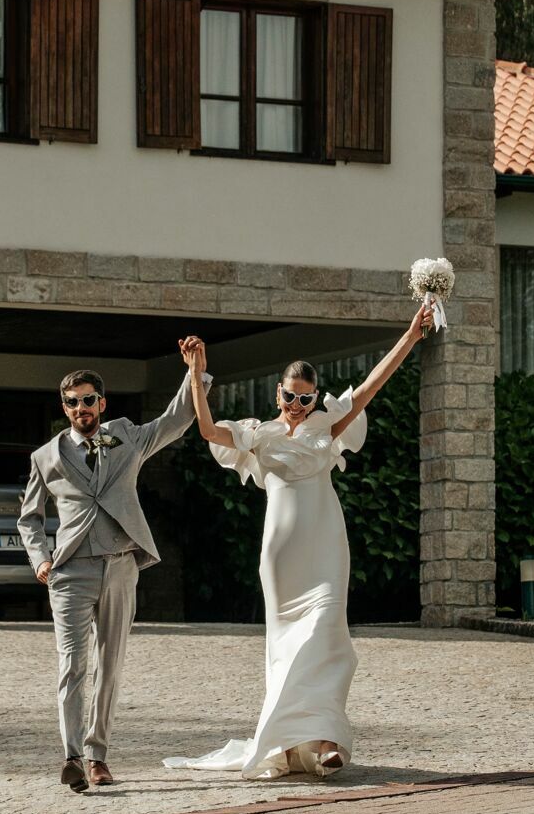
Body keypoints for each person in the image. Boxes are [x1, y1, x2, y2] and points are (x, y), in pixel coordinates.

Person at [167, 306, 434, 779]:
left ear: (315, 399)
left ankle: (327, 739)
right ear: (278, 392)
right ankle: (290, 746)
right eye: (290, 396)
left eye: (306, 399)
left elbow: (373, 384)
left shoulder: (326, 425)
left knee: (328, 633)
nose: (296, 405)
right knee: (286, 646)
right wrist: (195, 373)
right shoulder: (258, 432)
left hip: (327, 545)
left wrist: (411, 335)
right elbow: (208, 430)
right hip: (281, 555)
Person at [18, 344, 210, 793]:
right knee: (72, 665)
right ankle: (70, 756)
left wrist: (195, 372)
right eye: (72, 402)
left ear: (102, 404)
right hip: (69, 573)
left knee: (112, 664)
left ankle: (97, 755)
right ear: (62, 407)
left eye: (88, 400)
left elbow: (175, 420)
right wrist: (40, 558)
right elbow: (29, 516)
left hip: (122, 565)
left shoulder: (127, 436)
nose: (80, 408)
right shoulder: (45, 457)